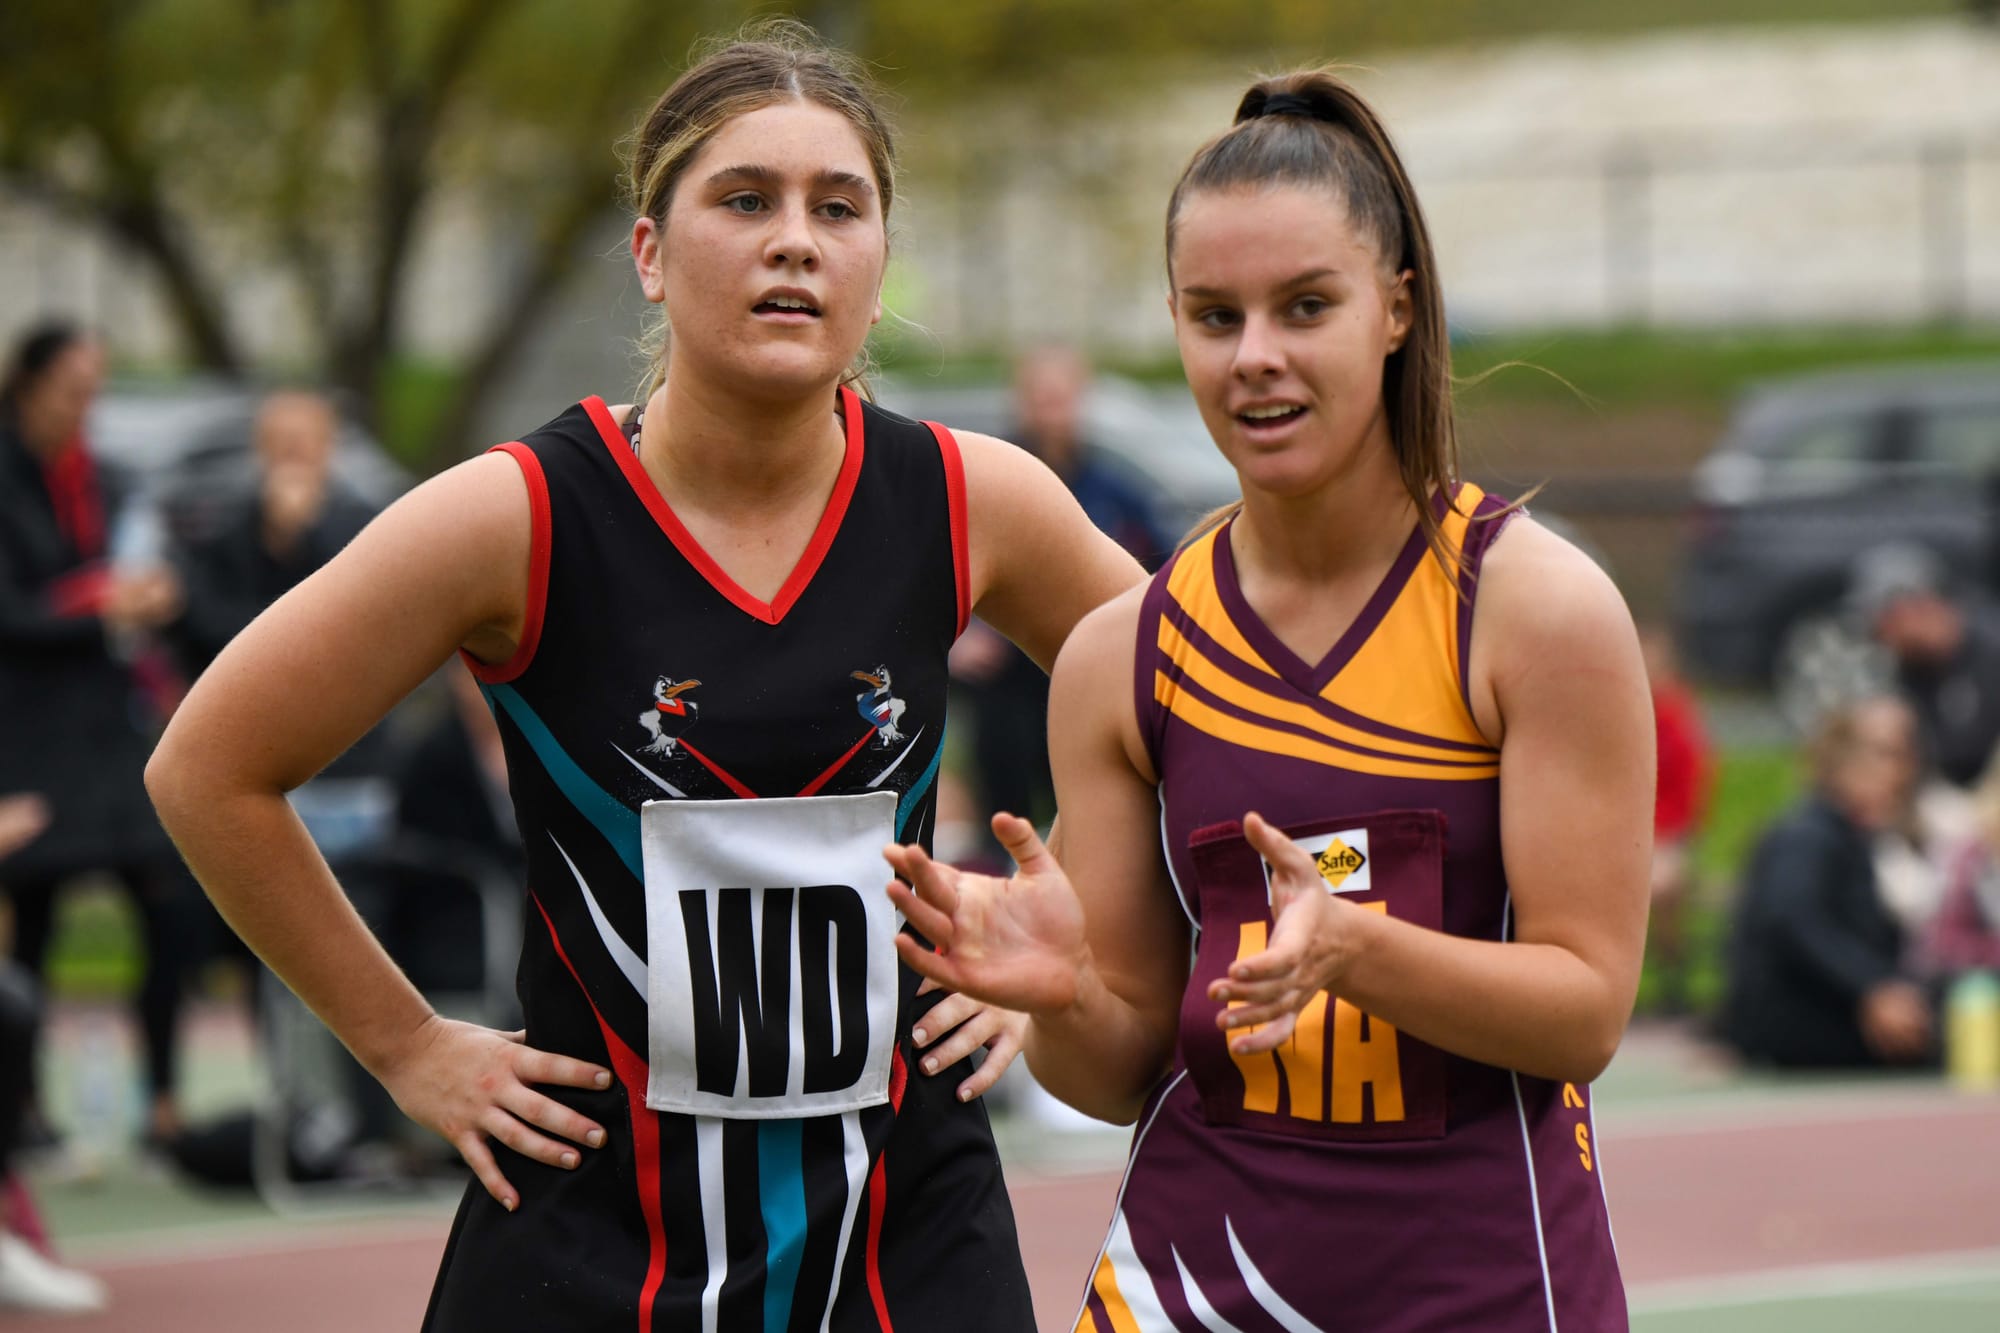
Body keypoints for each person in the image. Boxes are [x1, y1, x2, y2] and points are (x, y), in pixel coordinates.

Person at [146, 21, 1142, 1332]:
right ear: (650, 256)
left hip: (909, 1230)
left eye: (838, 207)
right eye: (745, 199)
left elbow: (1188, 696)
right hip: (593, 1236)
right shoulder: (520, 517)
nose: (796, 238)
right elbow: (209, 769)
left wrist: (1056, 923)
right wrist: (406, 1044)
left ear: (878, 261)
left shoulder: (972, 501)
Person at [887, 71, 1647, 1331]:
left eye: (1305, 307)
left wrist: (1356, 950)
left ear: (1394, 309)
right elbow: (1124, 1072)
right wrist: (1062, 991)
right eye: (1212, 315)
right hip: (1188, 1284)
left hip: (1477, 1282)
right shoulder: (1119, 651)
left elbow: (1583, 1012)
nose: (1255, 358)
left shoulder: (1531, 609)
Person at [0, 321, 196, 1148]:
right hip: (29, 734)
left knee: (173, 897)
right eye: (72, 389)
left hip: (114, 732)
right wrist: (91, 605)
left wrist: (152, 595)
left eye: (94, 391)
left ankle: (161, 1099)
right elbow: (13, 611)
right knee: (33, 914)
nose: (85, 407)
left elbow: (151, 572)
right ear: (30, 385)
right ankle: (24, 1103)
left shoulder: (112, 479)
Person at [952, 346, 1171, 855]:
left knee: (1084, 813)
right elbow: (929, 571)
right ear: (1021, 401)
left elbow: (1165, 568)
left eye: (1061, 398)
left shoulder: (1114, 489)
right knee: (1002, 817)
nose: (1051, 411)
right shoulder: (988, 480)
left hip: (1081, 681)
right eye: (1041, 399)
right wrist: (957, 646)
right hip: (1003, 683)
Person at [1720, 696, 1937, 1069]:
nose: (1898, 776)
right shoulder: (1808, 835)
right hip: (1794, 1018)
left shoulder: (1857, 838)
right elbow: (1794, 920)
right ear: (1845, 766)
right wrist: (1872, 989)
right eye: (1884, 759)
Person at [174, 389, 375, 675]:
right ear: (261, 448)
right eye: (280, 440)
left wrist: (306, 531)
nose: (292, 451)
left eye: (302, 440)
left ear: (329, 446)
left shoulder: (366, 523)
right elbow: (206, 621)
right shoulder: (226, 527)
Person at [1851, 542, 2000, 791]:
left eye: (1881, 620)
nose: (1878, 636)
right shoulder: (1908, 670)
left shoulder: (1991, 648)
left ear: (1914, 607)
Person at [1642, 624, 1711, 1013]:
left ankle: (1672, 976)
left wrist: (1663, 836)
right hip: (1632, 834)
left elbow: (1688, 789)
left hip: (1668, 836)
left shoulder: (1679, 718)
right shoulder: (1625, 707)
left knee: (1662, 884)